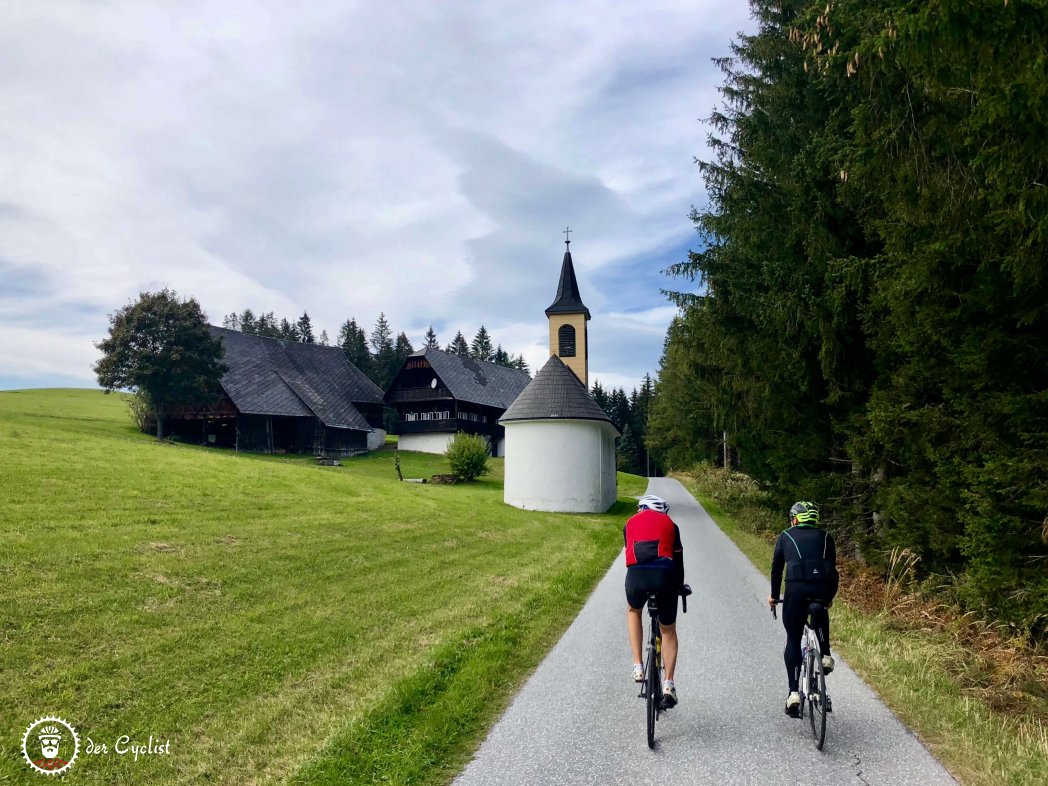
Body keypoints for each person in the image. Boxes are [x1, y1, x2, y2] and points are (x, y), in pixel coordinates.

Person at [768, 501, 839, 716]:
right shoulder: (827, 537)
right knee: (820, 609)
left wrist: (773, 595)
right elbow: (832, 566)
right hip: (823, 588)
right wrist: (829, 597)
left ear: (795, 518)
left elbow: (776, 568)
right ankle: (825, 654)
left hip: (796, 590)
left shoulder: (785, 536)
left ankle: (793, 693)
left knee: (793, 637)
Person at [625, 494, 685, 708]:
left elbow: (631, 554)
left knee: (634, 610)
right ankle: (669, 684)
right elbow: (678, 563)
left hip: (636, 578)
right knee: (667, 630)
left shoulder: (629, 523)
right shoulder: (672, 525)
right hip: (664, 577)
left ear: (642, 508)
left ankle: (638, 665)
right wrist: (679, 587)